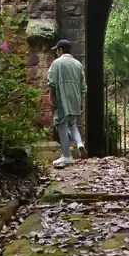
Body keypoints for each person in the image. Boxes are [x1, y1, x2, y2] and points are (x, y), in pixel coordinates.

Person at [47, 39, 87, 167]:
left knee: (61, 123)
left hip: (62, 96)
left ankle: (66, 156)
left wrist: (51, 97)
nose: (56, 53)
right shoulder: (78, 64)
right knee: (72, 123)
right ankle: (80, 143)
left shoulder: (56, 63)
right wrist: (82, 101)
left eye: (57, 50)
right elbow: (83, 86)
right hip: (75, 97)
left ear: (60, 50)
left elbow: (51, 82)